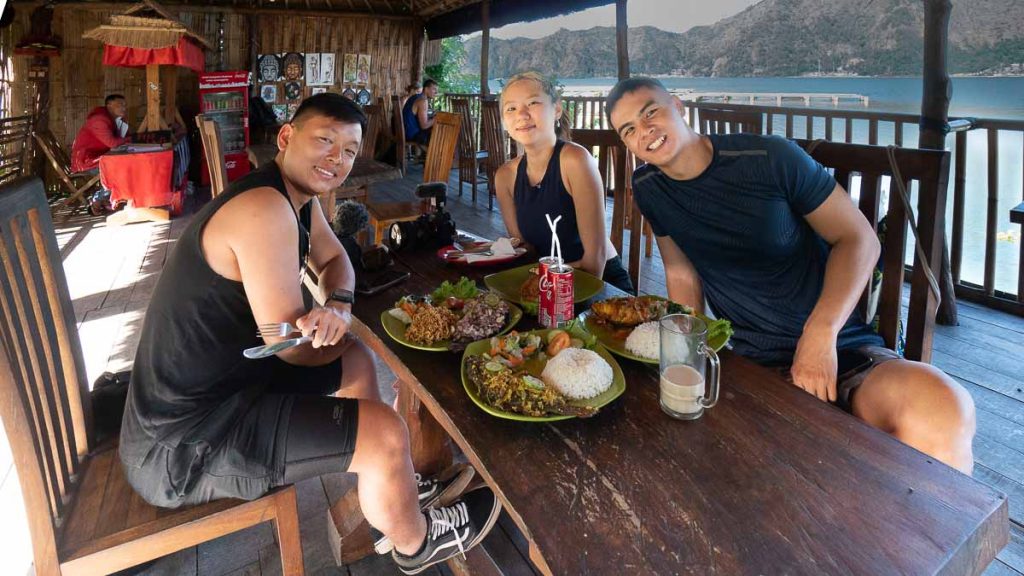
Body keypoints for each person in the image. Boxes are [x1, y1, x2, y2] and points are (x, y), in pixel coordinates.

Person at [119, 93, 500, 574]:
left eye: (348, 150)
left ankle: (384, 483)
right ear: (286, 137)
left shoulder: (293, 198)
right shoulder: (265, 209)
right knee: (387, 432)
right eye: (324, 140)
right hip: (182, 446)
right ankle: (416, 542)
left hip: (230, 389)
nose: (336, 159)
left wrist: (337, 305)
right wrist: (322, 323)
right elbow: (286, 346)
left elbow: (335, 258)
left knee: (357, 358)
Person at [605, 77, 976, 474]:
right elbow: (680, 272)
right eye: (629, 129)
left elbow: (859, 240)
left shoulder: (769, 158)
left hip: (842, 350)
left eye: (651, 113)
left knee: (943, 407)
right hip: (747, 364)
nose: (644, 131)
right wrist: (686, 359)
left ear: (678, 106)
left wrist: (820, 335)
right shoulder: (649, 187)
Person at [494, 71, 633, 293]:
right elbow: (523, 250)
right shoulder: (505, 176)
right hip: (546, 283)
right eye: (511, 108)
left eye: (533, 103)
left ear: (556, 109)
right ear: (504, 120)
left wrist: (540, 283)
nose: (521, 114)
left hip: (600, 283)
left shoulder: (575, 160)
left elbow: (594, 261)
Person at [71, 93, 128, 173]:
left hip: (96, 158)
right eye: (120, 105)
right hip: (87, 163)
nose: (124, 108)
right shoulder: (99, 120)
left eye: (125, 105)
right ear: (109, 105)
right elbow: (112, 143)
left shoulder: (113, 120)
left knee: (125, 164)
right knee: (123, 168)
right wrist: (131, 139)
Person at [403, 78, 438, 146]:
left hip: (405, 131)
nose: (436, 92)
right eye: (434, 89)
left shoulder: (415, 97)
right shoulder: (423, 101)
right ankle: (432, 155)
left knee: (434, 130)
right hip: (411, 135)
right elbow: (424, 126)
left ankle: (423, 154)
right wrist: (437, 118)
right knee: (440, 131)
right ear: (426, 89)